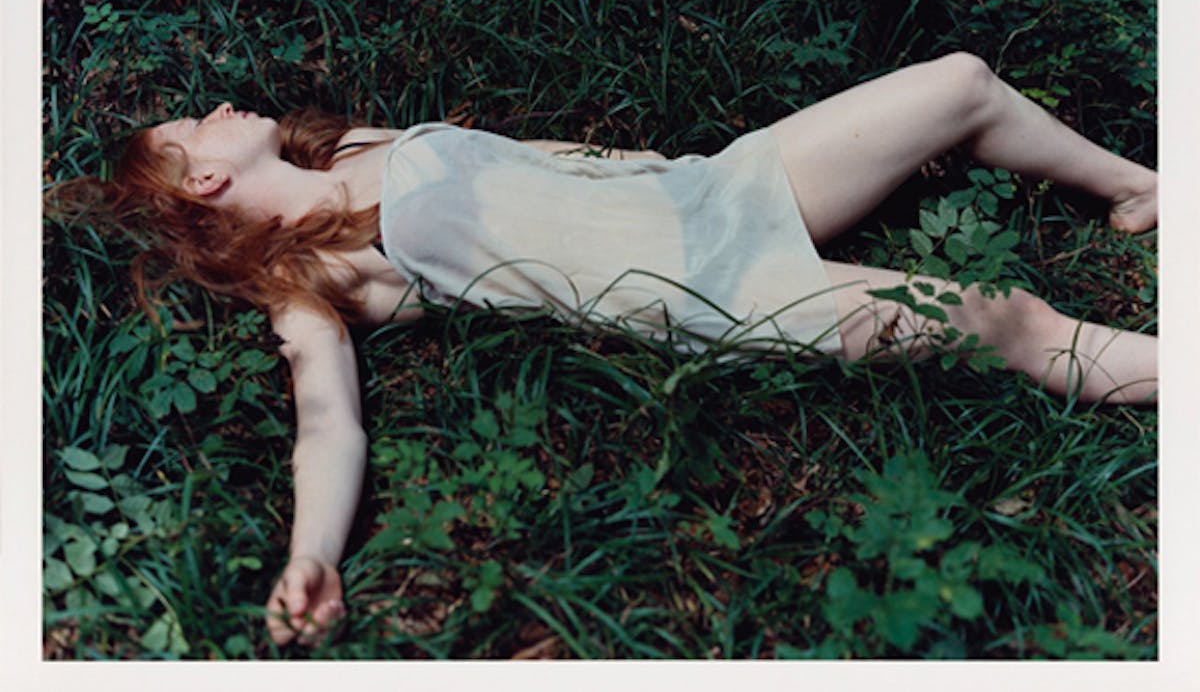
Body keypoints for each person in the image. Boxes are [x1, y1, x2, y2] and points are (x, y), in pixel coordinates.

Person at [58, 52, 1158, 646]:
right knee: (1004, 317)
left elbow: (538, 158)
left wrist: (651, 166)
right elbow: (327, 420)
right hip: (710, 289)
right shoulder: (323, 274)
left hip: (703, 190)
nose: (213, 108)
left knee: (960, 81)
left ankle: (1144, 189)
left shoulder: (353, 147)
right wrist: (316, 554)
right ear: (206, 180)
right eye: (189, 130)